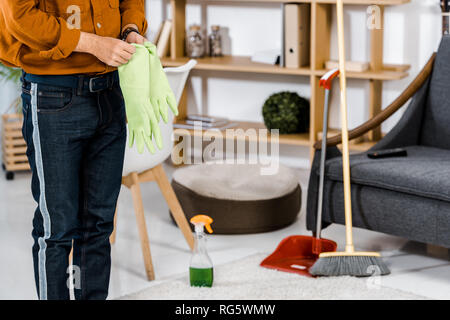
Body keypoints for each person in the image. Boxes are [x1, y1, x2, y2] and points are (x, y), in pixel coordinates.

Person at [0, 0, 148, 300]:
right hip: (53, 97)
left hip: (110, 92)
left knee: (98, 224)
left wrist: (130, 28)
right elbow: (20, 17)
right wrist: (94, 44)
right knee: (56, 228)